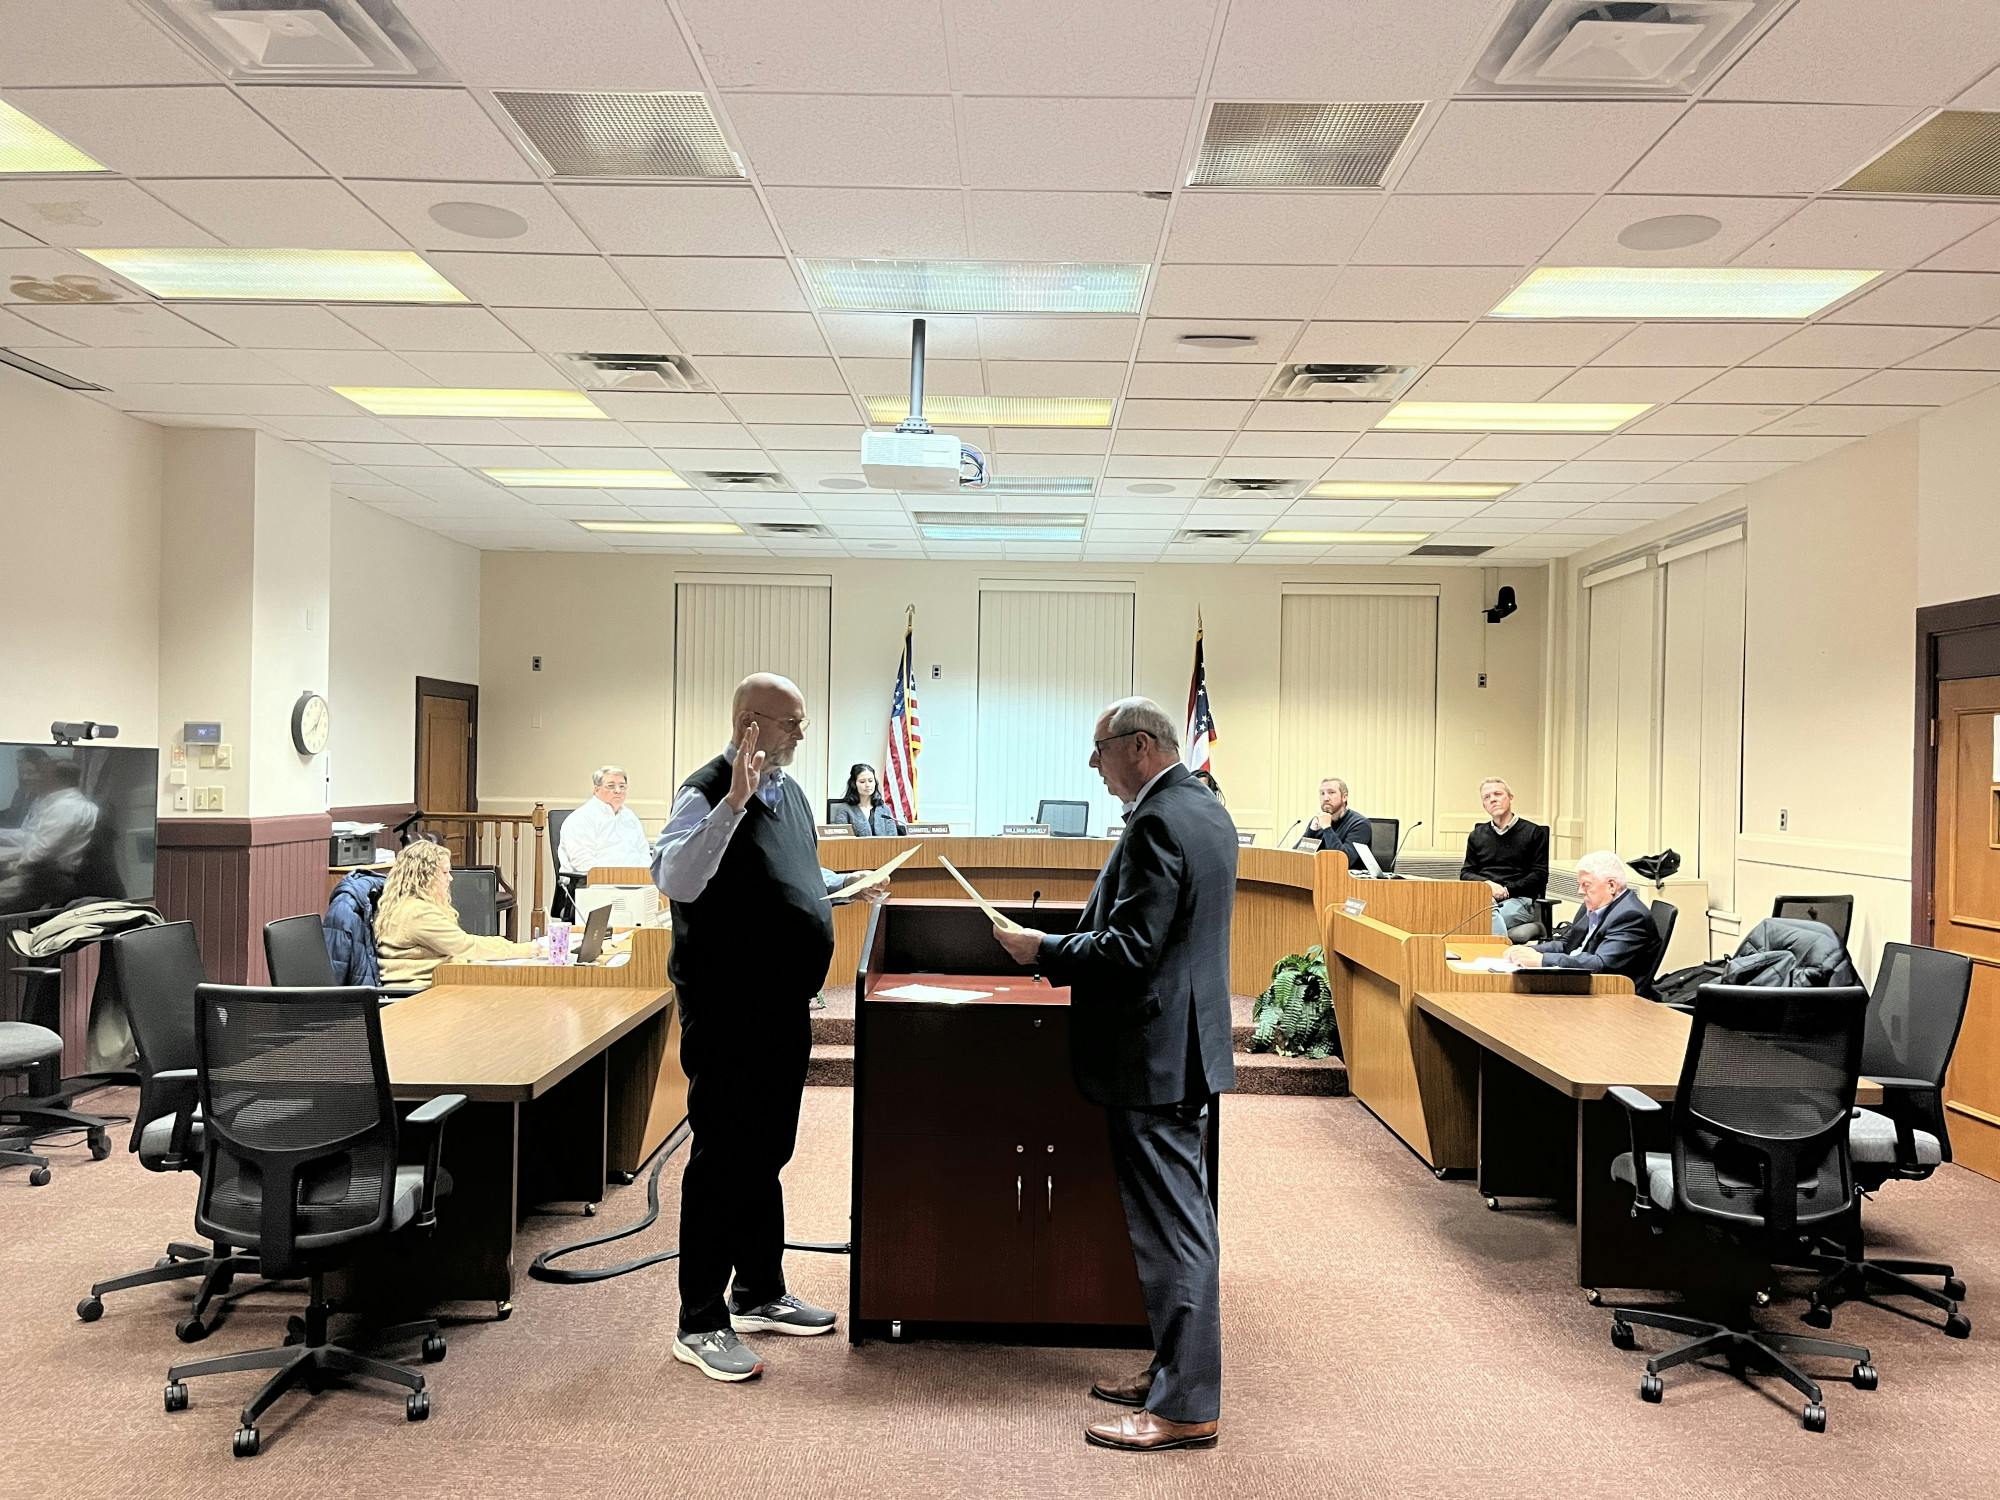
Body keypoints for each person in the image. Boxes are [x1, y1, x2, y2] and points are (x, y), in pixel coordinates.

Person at [992, 696, 1236, 1453]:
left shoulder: (1159, 819)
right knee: (1178, 1220)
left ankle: (1187, 1405)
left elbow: (1131, 952)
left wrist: (1044, 952)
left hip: (1152, 1055)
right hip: (1183, 1048)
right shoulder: (1207, 808)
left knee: (1175, 1231)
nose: (1092, 769)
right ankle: (1172, 1370)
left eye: (1098, 752)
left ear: (1137, 746)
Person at [651, 672, 891, 1383]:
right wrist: (732, 804)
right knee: (723, 1156)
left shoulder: (792, 797)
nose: (802, 734)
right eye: (792, 724)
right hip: (727, 1007)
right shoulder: (705, 789)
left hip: (783, 1003)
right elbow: (676, 877)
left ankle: (757, 1288)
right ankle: (699, 1323)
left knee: (768, 1150)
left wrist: (843, 890)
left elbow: (790, 883)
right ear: (749, 724)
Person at [374, 840, 539, 986]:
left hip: (436, 984)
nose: (450, 879)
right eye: (445, 873)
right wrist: (528, 949)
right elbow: (465, 945)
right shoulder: (417, 912)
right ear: (424, 877)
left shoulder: (402, 905)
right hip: (422, 993)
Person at [1505, 849, 1665, 1000]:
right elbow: (1568, 944)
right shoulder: (1595, 906)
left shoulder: (1630, 916)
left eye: (1586, 885)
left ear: (1611, 886)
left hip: (1610, 997)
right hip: (1581, 986)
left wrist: (1542, 960)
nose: (1580, 891)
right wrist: (1528, 951)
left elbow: (1601, 964)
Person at [1459, 778, 1550, 935]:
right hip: (1483, 899)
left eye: (1498, 794)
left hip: (1518, 900)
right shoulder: (1476, 835)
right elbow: (1466, 873)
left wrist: (1507, 890)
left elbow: (1539, 875)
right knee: (1462, 917)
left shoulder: (1534, 832)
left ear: (1510, 797)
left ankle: (1495, 956)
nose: (1493, 799)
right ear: (1484, 805)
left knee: (1481, 921)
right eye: (1487, 797)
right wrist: (1487, 885)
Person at [557, 764, 652, 875]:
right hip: (595, 884)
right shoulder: (581, 818)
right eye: (611, 786)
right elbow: (583, 863)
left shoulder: (630, 817)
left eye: (622, 786)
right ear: (596, 790)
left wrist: (644, 876)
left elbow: (644, 854)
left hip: (636, 883)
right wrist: (620, 877)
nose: (618, 791)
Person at [1304, 777, 1372, 866]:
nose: (1325, 798)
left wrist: (1327, 828)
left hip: (1347, 878)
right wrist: (1311, 831)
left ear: (1344, 797)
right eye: (1322, 793)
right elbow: (1298, 858)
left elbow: (1342, 861)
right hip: (1320, 875)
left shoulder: (1360, 824)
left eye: (1331, 792)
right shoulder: (1319, 821)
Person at [827, 762, 905, 836]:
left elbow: (893, 839)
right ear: (854, 784)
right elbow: (841, 841)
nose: (867, 785)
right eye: (862, 782)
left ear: (875, 783)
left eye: (870, 781)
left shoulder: (884, 809)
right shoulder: (844, 809)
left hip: (884, 849)